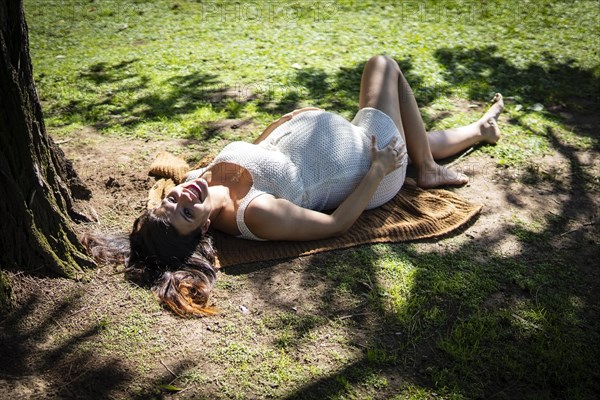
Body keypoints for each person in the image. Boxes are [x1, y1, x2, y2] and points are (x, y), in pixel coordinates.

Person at [82, 55, 504, 316]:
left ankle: (477, 130)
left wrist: (292, 123)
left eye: (171, 200)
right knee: (382, 66)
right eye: (186, 212)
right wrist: (377, 169)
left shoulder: (194, 182)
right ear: (204, 230)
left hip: (347, 141)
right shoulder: (256, 213)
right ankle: (426, 170)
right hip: (367, 169)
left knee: (406, 138)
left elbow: (256, 151)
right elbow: (336, 224)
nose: (181, 196)